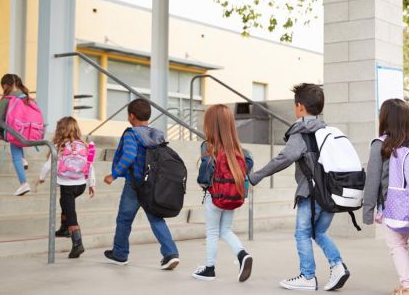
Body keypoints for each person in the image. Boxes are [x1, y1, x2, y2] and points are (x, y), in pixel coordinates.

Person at [248, 83, 350, 292]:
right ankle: (338, 265)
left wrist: (256, 176)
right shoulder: (327, 130)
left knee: (302, 233)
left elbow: (284, 157)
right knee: (319, 232)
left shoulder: (302, 131)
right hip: (331, 192)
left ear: (300, 107)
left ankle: (307, 276)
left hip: (311, 193)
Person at [103, 99, 180, 270]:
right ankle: (171, 254)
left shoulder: (132, 134)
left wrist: (113, 175)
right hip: (153, 184)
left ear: (131, 116)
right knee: (156, 218)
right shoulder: (157, 134)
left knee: (124, 219)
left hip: (135, 185)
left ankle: (120, 254)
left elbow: (129, 155)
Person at [363, 98, 409, 295]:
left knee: (396, 245)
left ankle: (408, 286)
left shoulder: (381, 145)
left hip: (392, 205)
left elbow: (372, 180)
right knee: (402, 243)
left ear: (384, 118)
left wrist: (367, 211)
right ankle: (407, 283)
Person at [192, 104, 253, 282]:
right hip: (232, 196)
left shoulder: (208, 148)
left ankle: (209, 268)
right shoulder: (240, 151)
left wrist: (203, 183)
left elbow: (204, 178)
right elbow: (247, 167)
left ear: (210, 125)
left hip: (215, 197)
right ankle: (242, 255)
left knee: (212, 232)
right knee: (225, 230)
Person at [38, 117, 96, 258]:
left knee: (71, 214)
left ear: (60, 130)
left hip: (67, 185)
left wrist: (41, 177)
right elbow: (90, 165)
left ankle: (78, 244)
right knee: (64, 202)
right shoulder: (83, 145)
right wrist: (92, 184)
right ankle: (64, 228)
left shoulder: (59, 146)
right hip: (81, 184)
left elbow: (48, 165)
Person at [0, 74, 31, 196]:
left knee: (14, 151)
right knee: (17, 139)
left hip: (14, 132)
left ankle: (24, 183)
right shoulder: (26, 97)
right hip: (29, 131)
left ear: (6, 85)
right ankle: (23, 160)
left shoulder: (7, 98)